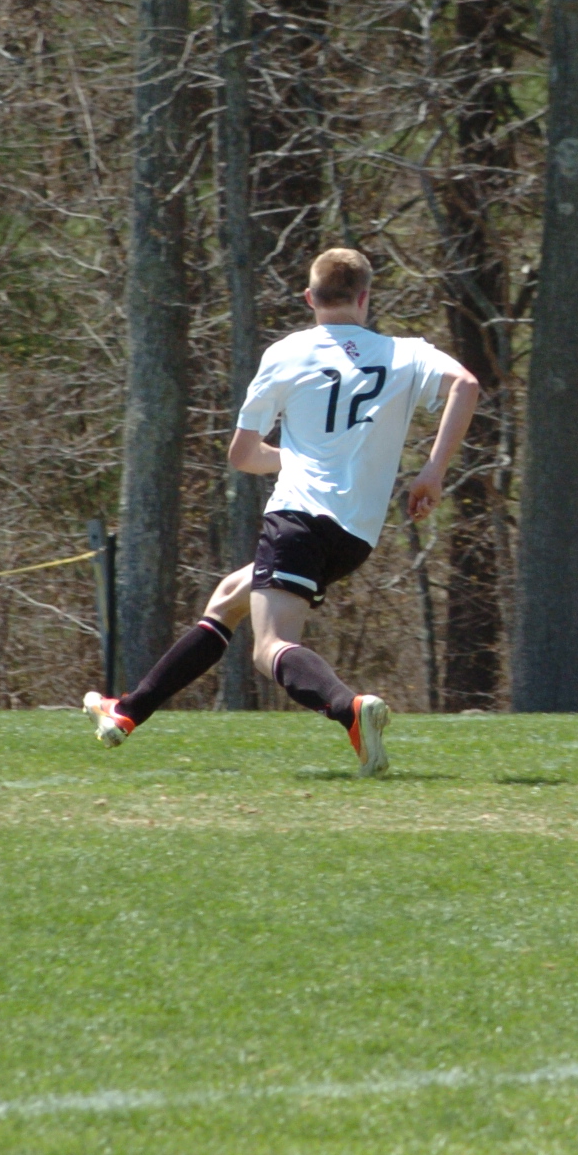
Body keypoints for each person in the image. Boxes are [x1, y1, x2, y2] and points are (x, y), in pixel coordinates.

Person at [83, 248, 480, 775]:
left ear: (310, 298)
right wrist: (432, 471)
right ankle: (127, 712)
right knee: (229, 596)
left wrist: (292, 456)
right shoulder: (406, 354)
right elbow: (466, 385)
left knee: (270, 646)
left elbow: (243, 455)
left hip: (297, 520)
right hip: (355, 536)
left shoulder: (287, 353)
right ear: (365, 297)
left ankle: (350, 709)